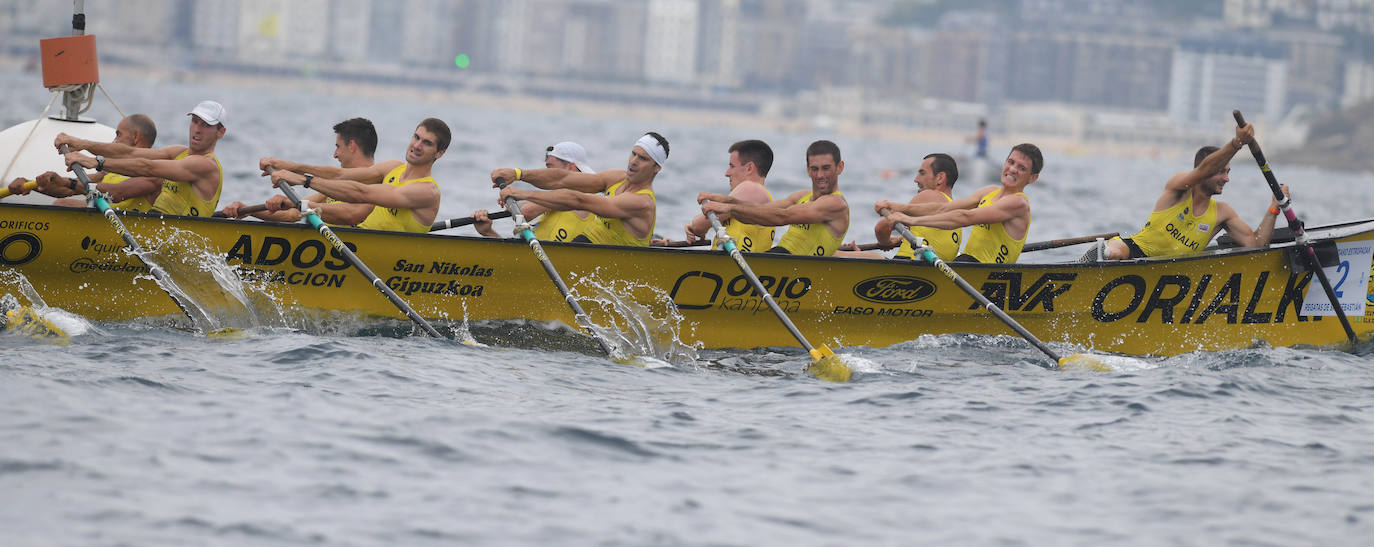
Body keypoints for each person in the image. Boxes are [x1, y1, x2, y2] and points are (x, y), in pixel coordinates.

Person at [1092, 122, 1284, 260]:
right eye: (1221, 172)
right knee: (1116, 253)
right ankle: (1102, 253)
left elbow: (1256, 245)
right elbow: (1204, 170)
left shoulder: (1222, 213)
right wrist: (1236, 144)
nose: (1227, 179)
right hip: (1136, 251)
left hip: (1172, 271)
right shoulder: (1179, 187)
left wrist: (1274, 207)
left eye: (1228, 172)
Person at [258, 118, 449, 233]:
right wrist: (288, 166)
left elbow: (361, 193)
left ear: (439, 153)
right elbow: (340, 175)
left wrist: (304, 181)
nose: (416, 145)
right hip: (360, 243)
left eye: (427, 143)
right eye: (416, 137)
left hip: (385, 261)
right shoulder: (392, 168)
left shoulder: (426, 191)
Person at [489, 132, 667, 247]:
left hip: (607, 266)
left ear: (656, 168)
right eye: (633, 154)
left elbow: (579, 200)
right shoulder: (615, 178)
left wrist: (521, 193)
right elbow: (562, 178)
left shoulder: (641, 202)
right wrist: (518, 174)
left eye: (643, 158)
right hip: (580, 250)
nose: (634, 161)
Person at [59, 101, 227, 217]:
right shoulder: (178, 152)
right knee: (62, 205)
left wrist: (97, 162)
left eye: (206, 125)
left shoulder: (206, 165)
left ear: (220, 133)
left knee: (62, 207)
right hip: (155, 225)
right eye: (195, 122)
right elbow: (129, 153)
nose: (197, 129)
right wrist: (82, 143)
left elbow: (148, 167)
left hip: (179, 236)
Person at [886, 143, 1043, 264]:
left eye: (1021, 168)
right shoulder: (989, 191)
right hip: (966, 264)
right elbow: (943, 208)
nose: (1013, 169)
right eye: (1011, 162)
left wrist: (912, 220)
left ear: (1032, 178)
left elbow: (966, 217)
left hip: (986, 272)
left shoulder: (1018, 203)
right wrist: (899, 207)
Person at [700, 140, 849, 257]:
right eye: (815, 169)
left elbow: (782, 217)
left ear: (840, 167)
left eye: (826, 168)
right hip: (778, 258)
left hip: (800, 269)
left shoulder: (836, 204)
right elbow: (762, 210)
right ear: (808, 169)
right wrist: (727, 200)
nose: (820, 175)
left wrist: (730, 208)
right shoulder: (802, 196)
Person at [220, 117, 378, 222]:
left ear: (352, 146)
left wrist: (292, 202)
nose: (335, 155)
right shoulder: (335, 187)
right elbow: (293, 213)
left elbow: (351, 215)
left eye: (338, 147)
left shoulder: (378, 185)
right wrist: (248, 209)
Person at [8, 114, 161, 211]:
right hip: (103, 228)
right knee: (62, 203)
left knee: (63, 207)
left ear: (136, 137)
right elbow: (67, 190)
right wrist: (32, 185)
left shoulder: (155, 171)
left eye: (118, 135)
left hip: (126, 231)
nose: (114, 141)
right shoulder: (110, 171)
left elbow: (116, 194)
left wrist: (67, 183)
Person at [843, 152, 961, 261]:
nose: (916, 179)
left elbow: (881, 228)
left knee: (835, 254)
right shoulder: (957, 215)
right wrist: (900, 239)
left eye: (922, 173)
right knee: (856, 254)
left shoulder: (930, 195)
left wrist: (886, 242)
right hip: (929, 277)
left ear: (940, 178)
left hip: (906, 269)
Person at [473, 141, 595, 240]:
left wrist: (514, 199)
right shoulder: (555, 200)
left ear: (570, 167)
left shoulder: (581, 194)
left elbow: (524, 213)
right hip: (537, 261)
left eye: (550, 168)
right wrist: (488, 232)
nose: (546, 173)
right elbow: (517, 259)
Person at [680, 139, 776, 252]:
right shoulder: (758, 196)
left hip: (731, 267)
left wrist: (694, 226)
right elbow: (700, 225)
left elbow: (699, 225)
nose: (727, 173)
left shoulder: (752, 189)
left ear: (749, 168)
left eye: (732, 166)